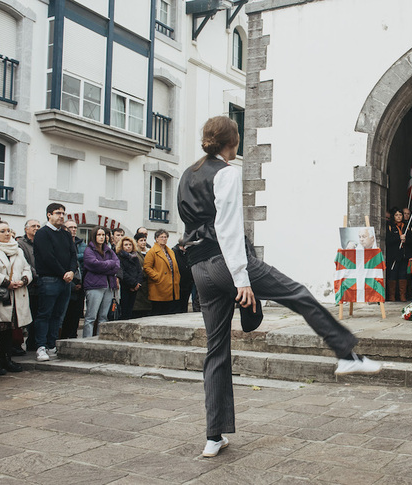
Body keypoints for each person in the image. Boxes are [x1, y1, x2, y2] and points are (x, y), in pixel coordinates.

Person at [177, 116, 381, 457]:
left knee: (216, 350)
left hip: (199, 268)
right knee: (297, 294)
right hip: (227, 261)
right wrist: (241, 278)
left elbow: (191, 223)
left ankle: (213, 436)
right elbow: (227, 228)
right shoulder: (226, 172)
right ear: (234, 141)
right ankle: (346, 354)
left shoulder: (188, 173)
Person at [0, 216, 33, 374]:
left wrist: (24, 280)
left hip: (17, 294)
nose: (7, 234)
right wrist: (7, 282)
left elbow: (27, 268)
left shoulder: (17, 249)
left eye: (8, 230)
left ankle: (6, 359)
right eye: (2, 231)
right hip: (1, 295)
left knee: (9, 330)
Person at [33, 203, 77, 361]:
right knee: (45, 314)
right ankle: (41, 346)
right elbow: (47, 256)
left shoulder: (65, 234)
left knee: (58, 315)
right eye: (58, 213)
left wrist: (72, 271)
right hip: (49, 279)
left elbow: (73, 254)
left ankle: (52, 345)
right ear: (49, 215)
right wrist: (63, 272)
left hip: (65, 281)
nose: (61, 216)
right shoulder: (42, 233)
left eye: (63, 213)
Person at [82, 226, 120, 337]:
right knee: (91, 317)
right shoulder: (89, 250)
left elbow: (117, 265)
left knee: (104, 316)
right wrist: (109, 264)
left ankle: (100, 338)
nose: (102, 237)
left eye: (103, 235)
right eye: (99, 235)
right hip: (94, 285)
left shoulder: (108, 250)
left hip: (108, 285)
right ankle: (87, 340)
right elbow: (94, 265)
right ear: (94, 236)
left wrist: (105, 266)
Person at [144, 229, 180, 315]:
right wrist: (157, 277)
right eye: (161, 237)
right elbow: (147, 267)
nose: (164, 239)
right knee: (159, 311)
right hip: (159, 285)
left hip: (171, 285)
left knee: (170, 311)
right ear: (156, 239)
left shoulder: (170, 251)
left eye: (165, 237)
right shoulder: (152, 252)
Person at [59, 220, 85, 339]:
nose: (73, 230)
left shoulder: (81, 243)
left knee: (75, 313)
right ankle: (62, 337)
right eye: (70, 227)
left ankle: (73, 335)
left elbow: (84, 258)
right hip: (68, 281)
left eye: (75, 227)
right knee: (64, 313)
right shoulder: (63, 243)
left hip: (80, 281)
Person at [17, 219, 40, 352]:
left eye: (38, 226)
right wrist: (37, 275)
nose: (36, 228)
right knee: (29, 316)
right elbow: (25, 264)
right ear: (26, 229)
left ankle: (34, 342)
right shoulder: (20, 244)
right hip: (29, 285)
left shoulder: (41, 243)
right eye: (33, 226)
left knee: (38, 315)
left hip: (40, 286)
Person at [385, 207, 412, 301]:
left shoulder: (406, 226)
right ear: (393, 216)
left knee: (403, 275)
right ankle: (392, 296)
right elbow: (388, 240)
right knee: (392, 275)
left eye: (400, 215)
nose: (398, 217)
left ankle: (402, 295)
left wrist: (406, 239)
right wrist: (399, 238)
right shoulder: (389, 226)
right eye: (396, 215)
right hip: (394, 255)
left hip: (404, 255)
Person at [117, 236, 143, 320]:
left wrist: (137, 283)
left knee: (130, 310)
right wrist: (133, 283)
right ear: (122, 246)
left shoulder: (135, 257)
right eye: (126, 245)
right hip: (125, 287)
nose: (128, 246)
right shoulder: (119, 257)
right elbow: (122, 273)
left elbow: (139, 271)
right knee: (124, 310)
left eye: (130, 245)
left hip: (135, 287)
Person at [132, 232, 152, 318]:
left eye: (144, 240)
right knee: (138, 308)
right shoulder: (135, 253)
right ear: (136, 242)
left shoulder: (149, 252)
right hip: (139, 282)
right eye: (141, 240)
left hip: (148, 283)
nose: (143, 242)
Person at [172, 241, 194, 313]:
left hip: (187, 283)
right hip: (178, 283)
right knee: (177, 306)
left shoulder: (187, 252)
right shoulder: (174, 252)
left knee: (184, 305)